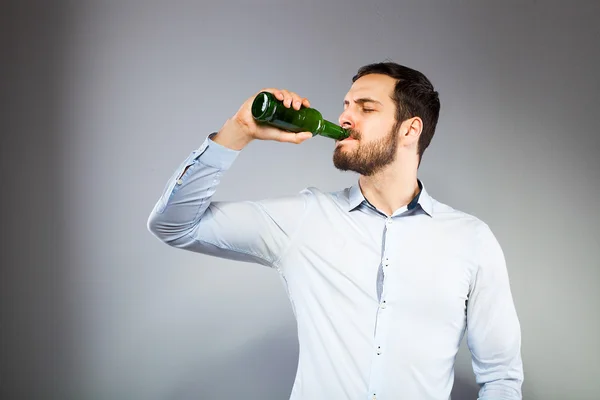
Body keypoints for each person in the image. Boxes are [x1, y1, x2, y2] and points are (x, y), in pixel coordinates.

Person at [147, 62, 524, 400]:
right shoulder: (305, 220)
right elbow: (174, 224)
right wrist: (239, 131)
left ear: (410, 130)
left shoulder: (471, 240)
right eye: (346, 106)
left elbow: (501, 378)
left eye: (365, 108)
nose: (345, 118)